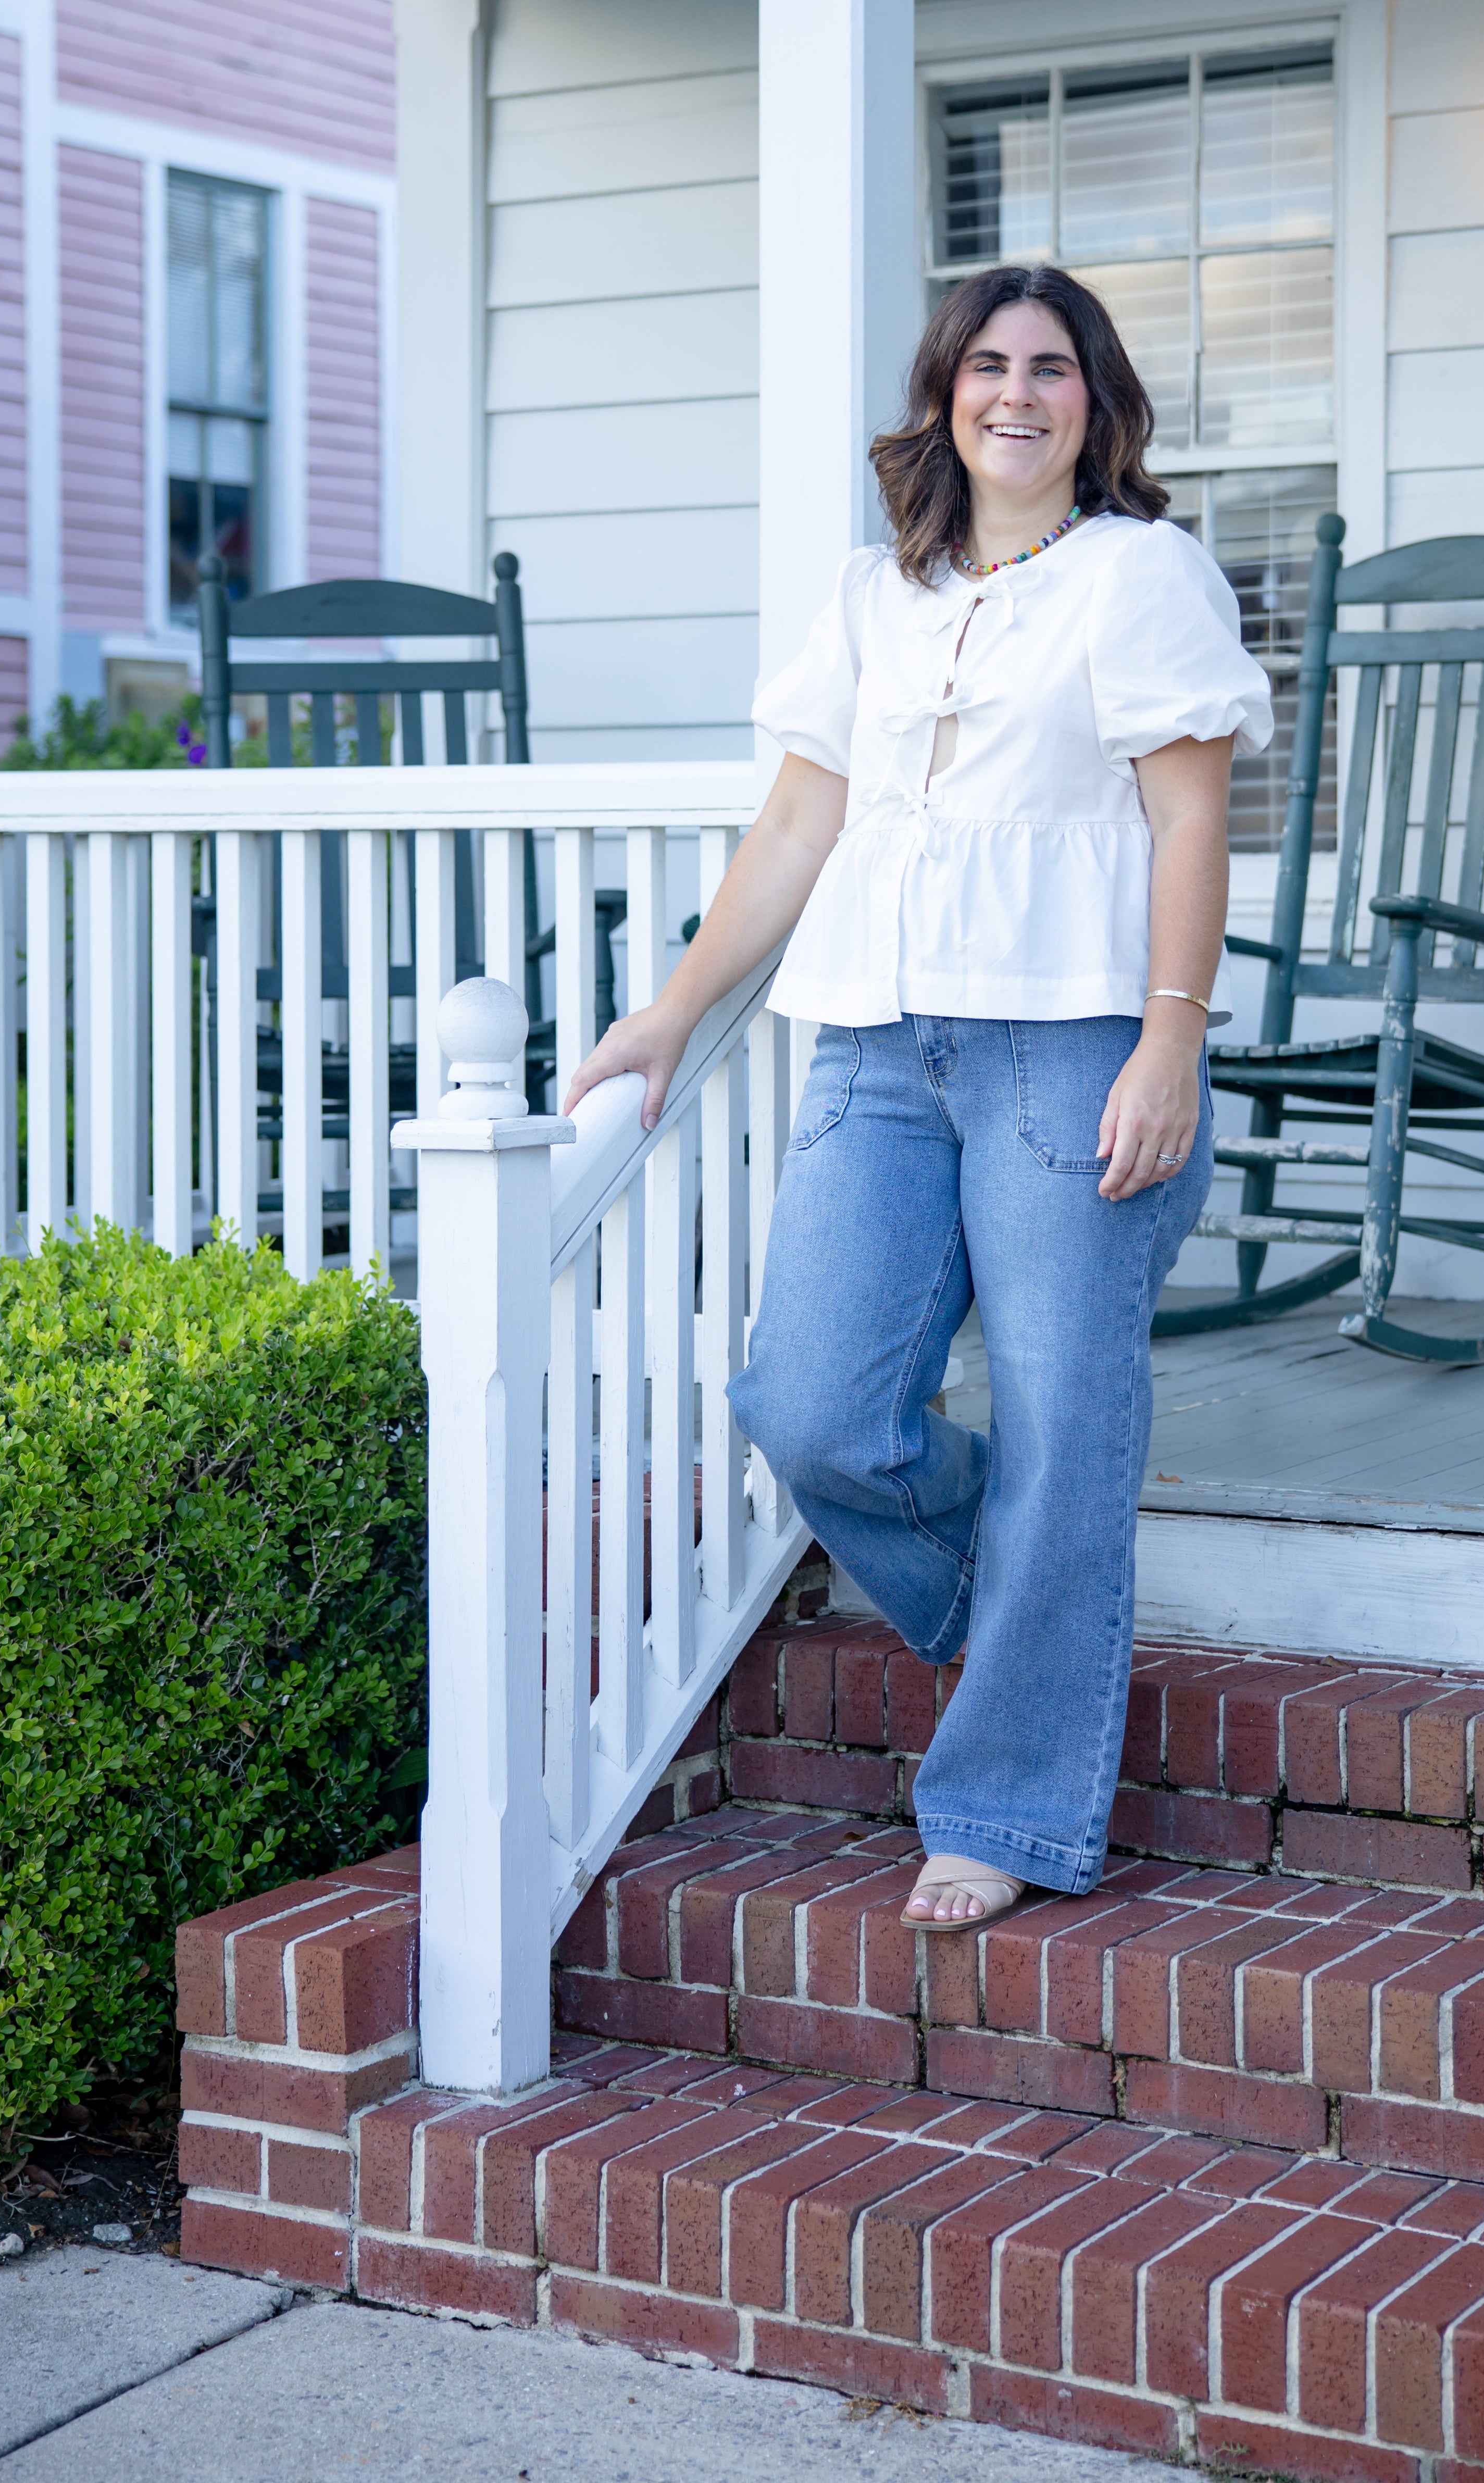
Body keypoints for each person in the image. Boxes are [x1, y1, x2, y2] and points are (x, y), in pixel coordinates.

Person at [565, 263, 1272, 1930]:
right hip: (877, 1047)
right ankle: (1038, 1611)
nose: (1018, 393)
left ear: (1096, 403)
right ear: (945, 396)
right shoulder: (874, 595)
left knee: (1063, 1424)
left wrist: (1170, 1039)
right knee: (811, 1403)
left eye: (1053, 368)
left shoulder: (1141, 574)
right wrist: (673, 1009)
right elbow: (797, 827)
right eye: (988, 365)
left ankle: (1007, 1803)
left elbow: (1191, 820)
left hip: (1071, 1044)